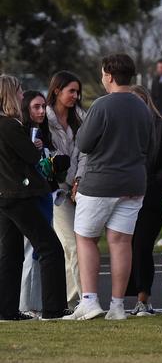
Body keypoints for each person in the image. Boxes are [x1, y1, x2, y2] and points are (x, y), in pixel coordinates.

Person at [64, 54, 152, 321]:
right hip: (134, 182)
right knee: (121, 241)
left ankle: (89, 300)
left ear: (110, 76)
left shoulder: (102, 105)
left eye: (103, 74)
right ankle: (117, 306)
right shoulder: (141, 106)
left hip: (101, 180)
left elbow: (85, 143)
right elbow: (149, 144)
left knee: (86, 238)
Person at [0, 74, 69, 321]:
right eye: (19, 91)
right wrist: (36, 147)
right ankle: (54, 308)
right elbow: (30, 156)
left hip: (4, 194)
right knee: (50, 247)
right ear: (10, 94)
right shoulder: (11, 125)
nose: (22, 95)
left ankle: (6, 310)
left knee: (11, 252)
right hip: (20, 194)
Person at [126, 85, 162, 316]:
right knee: (127, 246)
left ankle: (143, 299)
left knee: (142, 246)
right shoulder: (124, 129)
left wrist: (152, 182)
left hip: (152, 197)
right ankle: (126, 298)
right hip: (126, 197)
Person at [46, 70, 85, 309]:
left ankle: (70, 300)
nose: (75, 95)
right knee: (72, 244)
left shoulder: (80, 117)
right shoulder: (43, 118)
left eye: (77, 91)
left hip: (77, 188)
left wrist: (78, 181)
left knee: (72, 245)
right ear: (57, 90)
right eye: (71, 91)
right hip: (54, 191)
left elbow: (85, 153)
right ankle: (82, 299)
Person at [18, 90, 52, 317]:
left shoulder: (43, 132)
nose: (41, 111)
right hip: (28, 197)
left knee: (40, 252)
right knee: (30, 250)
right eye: (36, 107)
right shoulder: (21, 132)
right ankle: (25, 305)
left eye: (43, 106)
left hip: (45, 196)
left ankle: (37, 303)